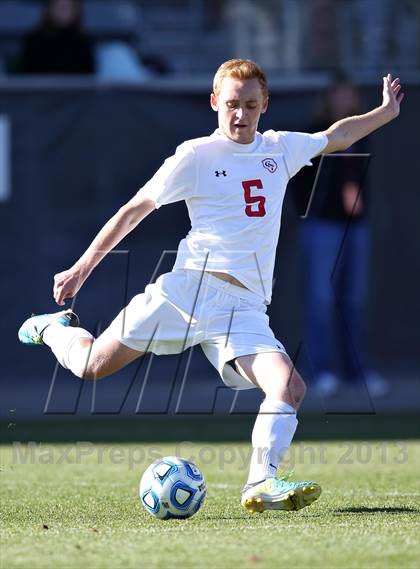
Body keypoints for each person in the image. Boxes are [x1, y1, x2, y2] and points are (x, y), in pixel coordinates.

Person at [18, 60, 404, 513]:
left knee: (289, 387)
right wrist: (84, 266)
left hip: (244, 308)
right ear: (214, 103)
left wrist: (384, 112)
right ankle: (54, 328)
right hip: (188, 292)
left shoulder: (279, 148)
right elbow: (134, 209)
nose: (240, 115)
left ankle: (260, 483)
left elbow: (336, 136)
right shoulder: (195, 156)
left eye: (250, 105)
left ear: (265, 105)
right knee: (89, 365)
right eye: (232, 105)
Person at [295, 75, 387, 397]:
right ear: (328, 99)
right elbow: (302, 182)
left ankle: (357, 370)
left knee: (354, 299)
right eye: (338, 95)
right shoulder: (314, 133)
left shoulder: (363, 134)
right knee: (321, 299)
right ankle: (321, 371)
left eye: (349, 95)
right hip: (322, 227)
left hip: (355, 228)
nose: (344, 101)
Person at [19, 0, 94, 75]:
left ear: (76, 10)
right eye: (59, 6)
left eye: (67, 7)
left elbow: (89, 78)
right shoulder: (33, 41)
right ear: (49, 9)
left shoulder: (84, 42)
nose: (63, 11)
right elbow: (25, 77)